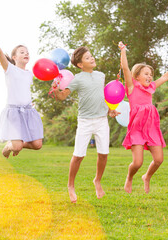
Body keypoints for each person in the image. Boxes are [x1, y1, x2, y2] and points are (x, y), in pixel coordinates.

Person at [49, 46, 119, 202]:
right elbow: (62, 96)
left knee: (104, 154)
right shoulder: (77, 79)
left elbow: (102, 97)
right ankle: (70, 185)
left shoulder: (101, 76)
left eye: (91, 56)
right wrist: (55, 90)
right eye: (87, 58)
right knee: (78, 155)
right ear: (80, 65)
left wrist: (110, 110)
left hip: (101, 120)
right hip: (85, 121)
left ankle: (97, 180)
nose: (92, 58)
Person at [119, 42, 168, 193]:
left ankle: (147, 177)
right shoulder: (131, 87)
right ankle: (129, 177)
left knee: (159, 160)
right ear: (136, 75)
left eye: (151, 74)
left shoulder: (151, 88)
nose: (150, 76)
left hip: (151, 128)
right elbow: (125, 68)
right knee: (137, 163)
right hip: (137, 129)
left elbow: (166, 76)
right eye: (146, 74)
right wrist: (123, 51)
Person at [0, 25, 43, 158]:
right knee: (17, 146)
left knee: (37, 145)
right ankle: (9, 146)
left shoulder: (30, 74)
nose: (26, 53)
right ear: (14, 57)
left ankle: (15, 144)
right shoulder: (10, 69)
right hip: (14, 112)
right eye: (22, 52)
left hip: (28, 112)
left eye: (27, 52)